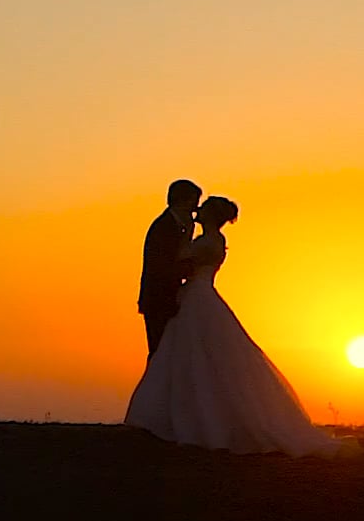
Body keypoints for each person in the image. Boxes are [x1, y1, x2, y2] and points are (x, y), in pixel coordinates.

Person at [124, 196, 350, 457]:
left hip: (197, 298)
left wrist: (184, 235)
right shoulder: (213, 240)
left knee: (195, 356)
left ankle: (195, 422)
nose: (198, 209)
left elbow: (179, 260)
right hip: (197, 296)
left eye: (203, 207)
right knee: (191, 356)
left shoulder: (208, 242)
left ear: (210, 215)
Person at [137, 179, 201, 354]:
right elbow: (162, 266)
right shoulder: (164, 227)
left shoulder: (177, 226)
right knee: (160, 352)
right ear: (184, 201)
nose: (196, 209)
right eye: (194, 202)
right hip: (159, 299)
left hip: (168, 298)